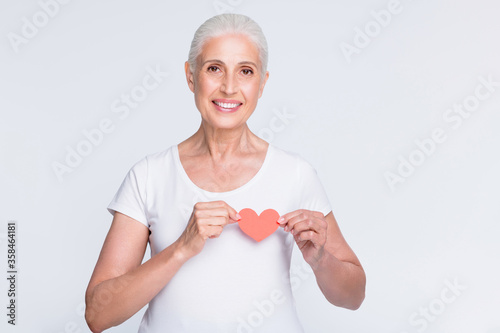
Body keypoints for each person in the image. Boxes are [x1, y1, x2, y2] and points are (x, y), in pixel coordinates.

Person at [85, 13, 365, 333]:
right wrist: (181, 248)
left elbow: (354, 296)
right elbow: (97, 314)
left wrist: (320, 260)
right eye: (214, 68)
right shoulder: (149, 176)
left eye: (245, 71)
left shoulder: (296, 174)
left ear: (261, 83)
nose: (229, 87)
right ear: (191, 77)